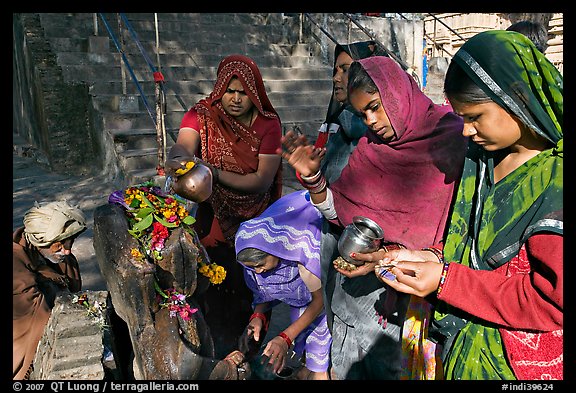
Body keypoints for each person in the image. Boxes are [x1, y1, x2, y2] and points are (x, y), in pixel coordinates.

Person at [358, 30, 563, 380]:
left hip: (511, 367)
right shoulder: (482, 158)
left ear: (517, 99)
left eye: (474, 117)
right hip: (460, 350)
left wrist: (447, 281)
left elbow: (550, 303)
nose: (465, 131)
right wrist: (432, 258)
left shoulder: (555, 181)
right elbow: (469, 240)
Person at [279, 56, 467, 379]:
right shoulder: (370, 147)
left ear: (397, 93)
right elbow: (340, 212)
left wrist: (388, 258)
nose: (371, 120)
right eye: (362, 113)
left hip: (406, 320)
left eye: (375, 107)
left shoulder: (451, 140)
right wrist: (313, 179)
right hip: (353, 311)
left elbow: (457, 239)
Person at [165, 54, 283, 359]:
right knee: (214, 287)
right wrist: (179, 159)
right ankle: (219, 359)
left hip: (257, 223)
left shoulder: (268, 125)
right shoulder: (202, 115)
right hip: (214, 219)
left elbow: (260, 181)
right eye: (229, 91)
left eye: (243, 92)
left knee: (254, 293)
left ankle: (248, 357)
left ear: (254, 93)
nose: (235, 98)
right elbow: (184, 144)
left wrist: (214, 172)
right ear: (219, 89)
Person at [235, 190, 332, 380]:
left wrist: (285, 338)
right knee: (302, 326)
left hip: (321, 302)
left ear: (275, 249)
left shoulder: (301, 253)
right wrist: (258, 316)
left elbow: (319, 301)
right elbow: (264, 291)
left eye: (260, 265)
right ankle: (305, 370)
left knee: (318, 352)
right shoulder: (250, 255)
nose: (258, 272)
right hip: (300, 301)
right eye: (251, 268)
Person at [13, 200, 87, 380]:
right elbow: (32, 313)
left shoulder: (58, 257)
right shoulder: (15, 264)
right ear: (41, 241)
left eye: (70, 243)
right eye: (60, 246)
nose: (67, 251)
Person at [310, 40, 385, 184]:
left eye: (345, 70)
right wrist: (311, 173)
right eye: (336, 70)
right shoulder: (335, 123)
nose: (336, 78)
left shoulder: (381, 130)